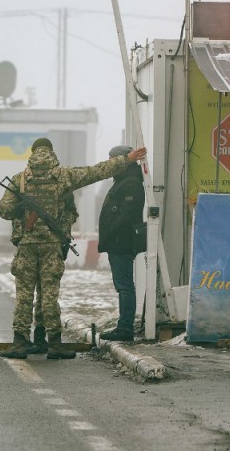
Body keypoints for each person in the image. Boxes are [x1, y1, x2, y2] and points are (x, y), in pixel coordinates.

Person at [0, 137, 147, 360]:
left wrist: (22, 208)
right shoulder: (63, 176)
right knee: (49, 294)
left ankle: (20, 343)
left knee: (24, 295)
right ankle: (54, 344)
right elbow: (96, 172)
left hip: (26, 246)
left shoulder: (20, 180)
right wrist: (126, 160)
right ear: (51, 152)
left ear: (33, 153)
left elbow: (4, 210)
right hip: (52, 246)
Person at [97, 145, 147, 342]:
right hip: (118, 241)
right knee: (123, 285)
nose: (110, 163)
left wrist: (110, 232)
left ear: (122, 159)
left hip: (122, 241)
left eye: (111, 159)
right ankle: (123, 325)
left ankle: (125, 327)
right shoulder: (124, 181)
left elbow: (127, 215)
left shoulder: (130, 183)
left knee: (125, 285)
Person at [27, 190, 78, 355]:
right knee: (47, 294)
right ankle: (53, 343)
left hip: (35, 244)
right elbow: (71, 212)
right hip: (46, 245)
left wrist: (61, 229)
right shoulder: (62, 184)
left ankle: (39, 339)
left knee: (39, 295)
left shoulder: (26, 182)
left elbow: (70, 212)